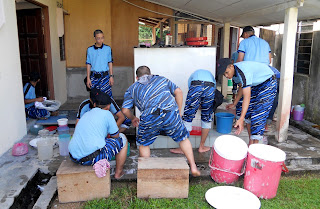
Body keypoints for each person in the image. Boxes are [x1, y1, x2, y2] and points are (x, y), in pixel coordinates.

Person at [121, 66, 200, 177]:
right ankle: (193, 166)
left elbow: (125, 109)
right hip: (170, 112)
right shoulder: (162, 80)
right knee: (183, 138)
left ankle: (147, 174)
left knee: (143, 144)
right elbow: (179, 92)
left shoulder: (132, 88)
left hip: (150, 116)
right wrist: (178, 112)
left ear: (137, 77)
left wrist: (133, 118)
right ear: (150, 74)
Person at [69, 90, 128, 179]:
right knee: (122, 139)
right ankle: (118, 173)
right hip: (90, 158)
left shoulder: (86, 114)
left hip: (73, 156)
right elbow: (115, 136)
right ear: (108, 107)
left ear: (94, 104)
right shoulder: (107, 114)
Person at [217, 59, 277, 145]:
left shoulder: (243, 71)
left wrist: (241, 119)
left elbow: (247, 97)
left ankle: (254, 147)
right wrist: (234, 103)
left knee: (258, 115)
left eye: (226, 72)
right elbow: (241, 87)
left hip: (268, 83)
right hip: (256, 84)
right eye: (224, 74)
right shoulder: (235, 74)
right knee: (245, 110)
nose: (226, 76)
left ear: (231, 66)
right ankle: (251, 142)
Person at [170, 69, 216, 154]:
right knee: (206, 117)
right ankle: (201, 147)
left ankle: (183, 148)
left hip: (196, 85)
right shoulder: (211, 76)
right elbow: (213, 89)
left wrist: (195, 104)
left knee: (188, 116)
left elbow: (192, 90)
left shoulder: (193, 76)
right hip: (210, 87)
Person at [86, 29, 114, 97]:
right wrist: (88, 78)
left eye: (102, 38)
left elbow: (110, 63)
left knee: (107, 97)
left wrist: (111, 76)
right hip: (94, 77)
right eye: (98, 38)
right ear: (94, 38)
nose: (100, 40)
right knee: (94, 97)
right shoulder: (89, 50)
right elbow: (88, 64)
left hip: (105, 76)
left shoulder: (108, 49)